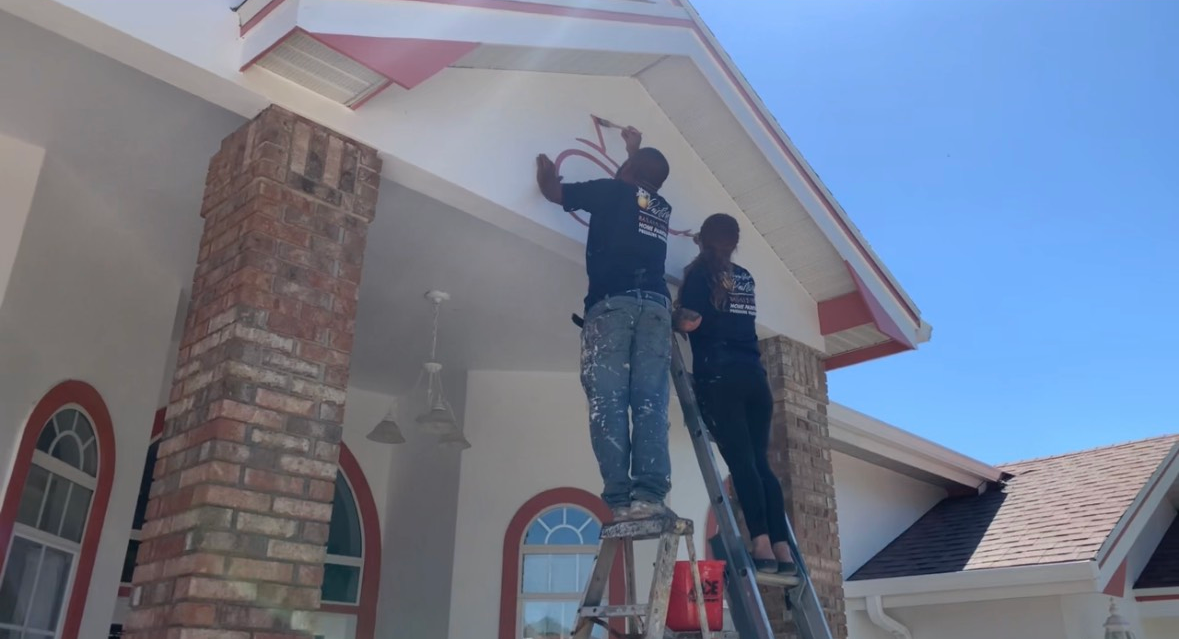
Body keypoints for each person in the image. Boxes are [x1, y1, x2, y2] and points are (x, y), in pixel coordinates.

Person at [535, 125, 675, 522]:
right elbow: (633, 185)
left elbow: (556, 193)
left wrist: (547, 175)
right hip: (656, 309)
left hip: (613, 305)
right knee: (649, 402)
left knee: (608, 401)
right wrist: (634, 151)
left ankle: (619, 498)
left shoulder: (613, 192)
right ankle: (648, 496)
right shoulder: (660, 206)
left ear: (628, 170)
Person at [674, 213, 795, 574]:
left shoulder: (700, 275)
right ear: (735, 243)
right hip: (755, 379)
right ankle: (782, 549)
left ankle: (761, 543)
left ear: (702, 239)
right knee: (760, 464)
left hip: (720, 377)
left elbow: (691, 321)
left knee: (742, 463)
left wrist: (672, 317)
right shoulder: (745, 277)